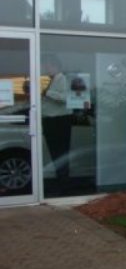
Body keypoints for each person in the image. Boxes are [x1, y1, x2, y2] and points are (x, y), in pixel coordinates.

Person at [41, 55, 72, 191]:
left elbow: (65, 98)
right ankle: (61, 181)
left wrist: (48, 93)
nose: (46, 68)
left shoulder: (62, 79)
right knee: (56, 153)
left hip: (58, 121)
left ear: (55, 66)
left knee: (60, 152)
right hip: (51, 121)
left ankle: (63, 184)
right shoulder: (53, 80)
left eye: (48, 66)